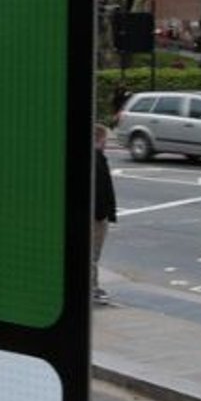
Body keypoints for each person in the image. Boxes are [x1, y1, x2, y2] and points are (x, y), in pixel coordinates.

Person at [92, 121, 119, 305]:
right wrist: (103, 214)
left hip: (98, 213)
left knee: (92, 254)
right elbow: (101, 189)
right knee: (92, 254)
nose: (107, 143)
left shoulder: (97, 157)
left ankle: (92, 287)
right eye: (105, 140)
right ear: (98, 139)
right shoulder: (96, 160)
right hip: (96, 216)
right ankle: (92, 289)